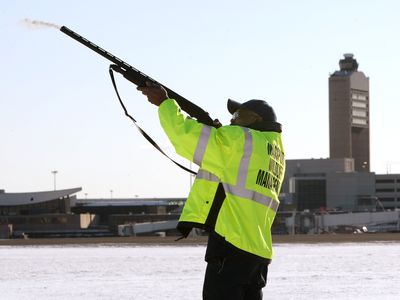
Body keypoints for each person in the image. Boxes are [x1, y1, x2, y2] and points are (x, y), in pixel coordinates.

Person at [137, 82, 285, 300]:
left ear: (254, 119)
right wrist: (218, 133)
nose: (232, 119)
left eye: (237, 114)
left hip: (231, 247)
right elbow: (231, 170)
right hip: (258, 253)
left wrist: (164, 104)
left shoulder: (238, 141)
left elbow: (184, 136)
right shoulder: (275, 153)